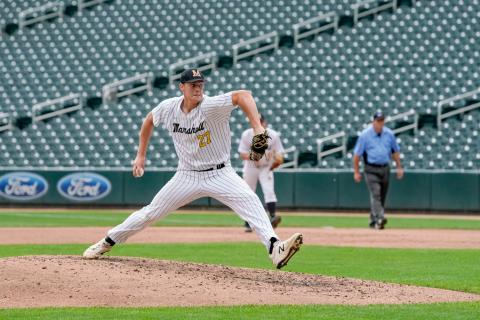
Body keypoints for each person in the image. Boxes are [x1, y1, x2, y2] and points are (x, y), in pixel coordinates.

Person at [83, 69, 303, 269]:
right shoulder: (169, 108)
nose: (198, 88)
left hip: (220, 173)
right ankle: (107, 241)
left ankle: (274, 248)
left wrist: (257, 127)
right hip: (186, 175)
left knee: (251, 201)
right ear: (182, 87)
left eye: (200, 84)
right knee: (150, 213)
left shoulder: (211, 106)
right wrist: (140, 155)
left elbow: (243, 95)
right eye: (193, 85)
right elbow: (148, 121)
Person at [353, 111, 404, 229]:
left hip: (385, 168)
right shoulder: (365, 135)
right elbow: (356, 155)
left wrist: (399, 166)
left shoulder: (389, 134)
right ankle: (380, 217)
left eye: (382, 121)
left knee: (382, 195)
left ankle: (373, 220)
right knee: (376, 194)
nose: (380, 123)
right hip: (371, 169)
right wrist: (356, 171)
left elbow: (395, 151)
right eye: (378, 121)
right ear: (373, 121)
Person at [238, 114, 284, 232]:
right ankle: (248, 221)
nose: (258, 123)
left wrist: (276, 163)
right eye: (255, 121)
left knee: (269, 191)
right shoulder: (247, 135)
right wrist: (255, 155)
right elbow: (242, 154)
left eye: (260, 121)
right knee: (248, 193)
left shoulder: (272, 135)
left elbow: (279, 154)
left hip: (265, 167)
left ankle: (273, 217)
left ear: (265, 123)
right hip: (251, 166)